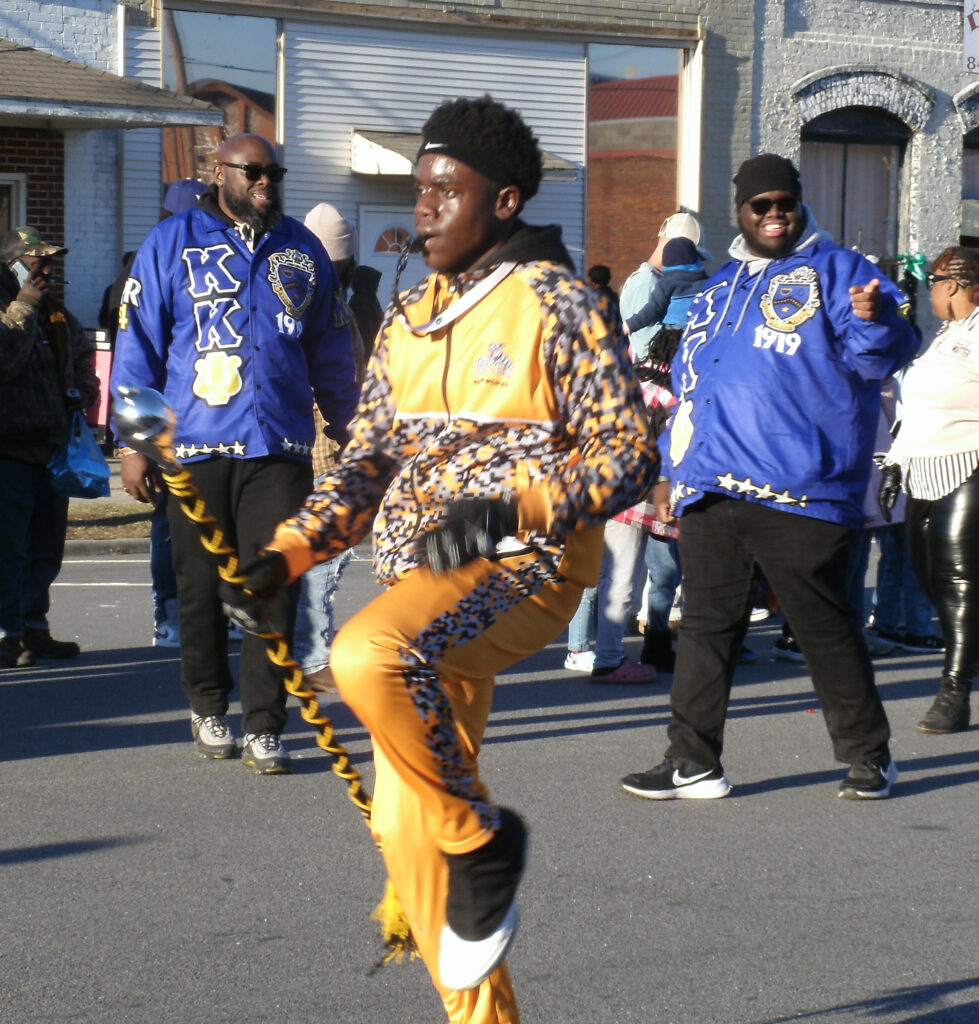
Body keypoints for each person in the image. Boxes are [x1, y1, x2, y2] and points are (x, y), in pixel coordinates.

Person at [229, 96, 656, 1021]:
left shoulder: (558, 303)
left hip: (523, 565)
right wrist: (285, 555)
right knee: (402, 830)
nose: (422, 207)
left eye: (445, 190)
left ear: (502, 201)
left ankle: (482, 842)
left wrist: (513, 507)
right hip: (420, 588)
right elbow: (367, 466)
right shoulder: (408, 318)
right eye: (418, 188)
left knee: (367, 655)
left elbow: (628, 455)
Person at [620, 153, 919, 802]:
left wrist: (874, 323)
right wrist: (670, 470)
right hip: (712, 486)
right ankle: (692, 761)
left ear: (799, 203)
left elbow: (885, 357)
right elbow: (691, 387)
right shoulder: (718, 287)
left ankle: (869, 756)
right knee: (704, 627)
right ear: (741, 210)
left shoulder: (842, 271)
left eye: (785, 202)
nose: (775, 214)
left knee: (823, 628)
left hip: (803, 488)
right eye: (762, 205)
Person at [111, 133, 359, 773]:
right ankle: (207, 706)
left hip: (279, 446)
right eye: (253, 172)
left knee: (275, 585)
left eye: (274, 172)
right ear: (220, 173)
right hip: (193, 446)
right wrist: (134, 444)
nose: (265, 182)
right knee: (198, 589)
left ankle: (265, 725)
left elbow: (331, 348)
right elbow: (137, 347)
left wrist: (351, 426)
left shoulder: (301, 248)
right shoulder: (170, 244)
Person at [879, 245, 979, 733]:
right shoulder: (944, 336)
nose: (930, 292)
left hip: (968, 465)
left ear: (953, 285)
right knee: (931, 581)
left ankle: (954, 692)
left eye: (933, 283)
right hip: (921, 471)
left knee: (959, 582)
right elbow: (915, 409)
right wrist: (894, 464)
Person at [0, 227, 99, 667]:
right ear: (12, 265)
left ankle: (34, 628)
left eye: (49, 261)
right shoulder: (16, 305)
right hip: (8, 450)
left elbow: (82, 355)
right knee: (8, 548)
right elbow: (4, 360)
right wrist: (23, 304)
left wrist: (84, 389)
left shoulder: (57, 314)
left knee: (44, 549)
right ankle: (6, 633)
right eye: (36, 262)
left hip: (52, 448)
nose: (46, 269)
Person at [293, 202, 367, 694]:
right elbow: (329, 380)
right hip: (324, 448)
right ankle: (312, 653)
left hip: (324, 444)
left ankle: (302, 645)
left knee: (315, 554)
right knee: (323, 556)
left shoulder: (328, 298)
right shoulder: (320, 302)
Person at [619, 211, 710, 362]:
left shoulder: (660, 281)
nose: (696, 263)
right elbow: (650, 348)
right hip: (659, 372)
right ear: (673, 246)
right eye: (694, 255)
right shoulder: (646, 281)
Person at [622, 237, 707, 338]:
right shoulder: (707, 281)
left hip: (675, 330)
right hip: (702, 326)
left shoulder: (667, 282)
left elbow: (654, 308)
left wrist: (632, 323)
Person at [349, 263, 383, 362]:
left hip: (375, 351)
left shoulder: (371, 299)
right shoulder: (359, 302)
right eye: (375, 284)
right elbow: (365, 333)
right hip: (366, 355)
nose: (376, 287)